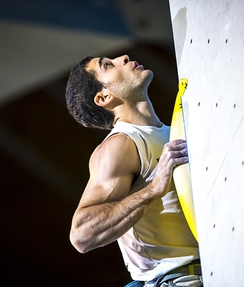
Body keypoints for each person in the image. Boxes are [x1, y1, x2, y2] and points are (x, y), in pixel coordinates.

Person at [65, 55, 201, 287]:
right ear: (104, 97)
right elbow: (82, 234)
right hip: (175, 280)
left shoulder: (174, 129)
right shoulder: (120, 145)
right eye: (107, 65)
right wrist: (154, 188)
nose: (124, 57)